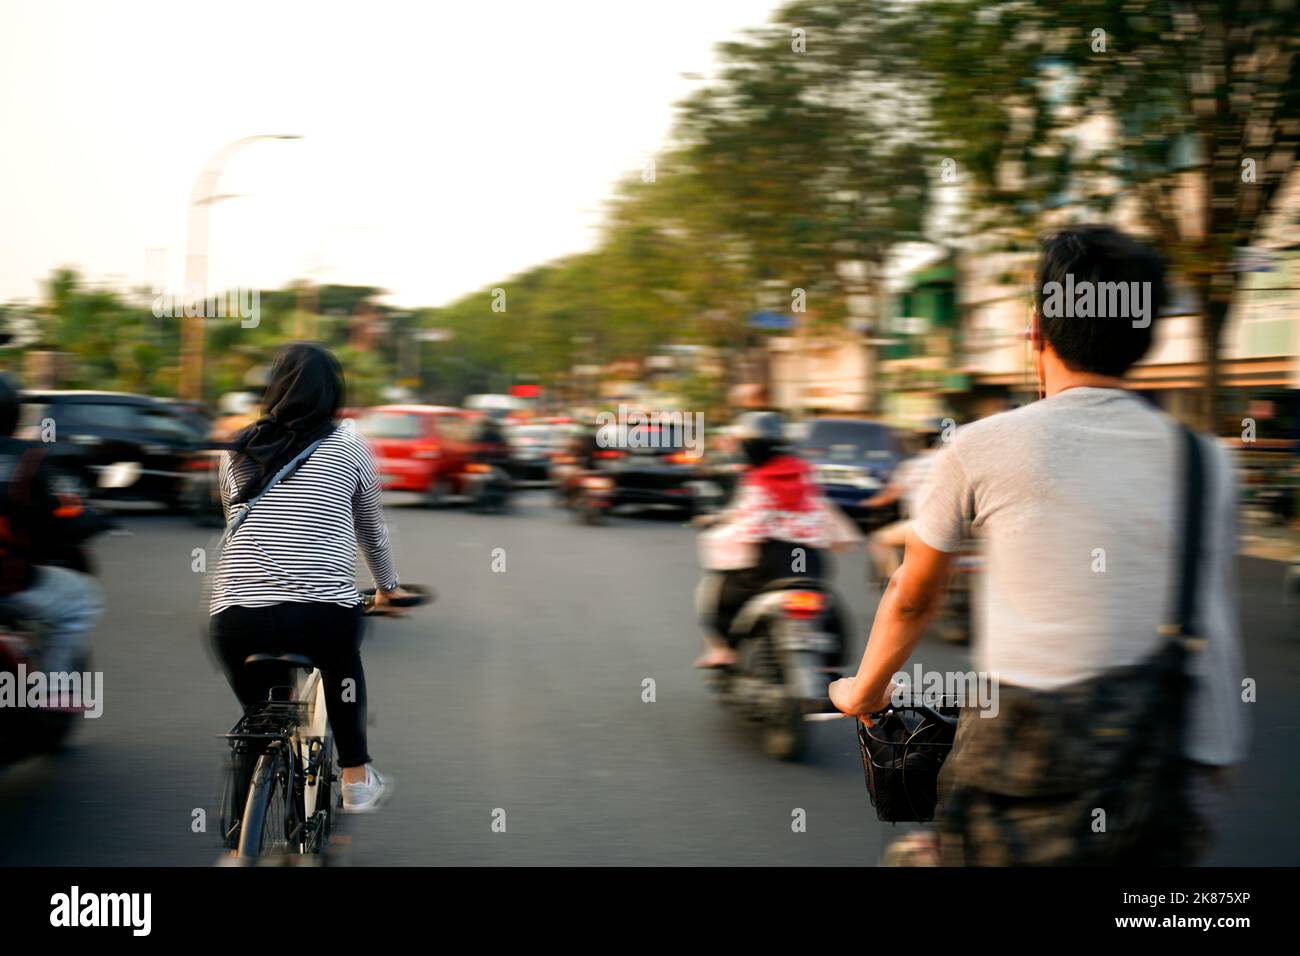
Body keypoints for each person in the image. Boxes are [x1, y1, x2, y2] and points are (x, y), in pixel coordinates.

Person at [829, 225, 1247, 864]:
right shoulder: (1209, 462)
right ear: (1147, 336)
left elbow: (913, 598)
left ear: (1035, 330)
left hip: (1032, 766)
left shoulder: (980, 446)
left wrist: (863, 691)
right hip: (1182, 762)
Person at [209, 343, 411, 813]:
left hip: (235, 620)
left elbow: (235, 524)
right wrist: (388, 588)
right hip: (320, 617)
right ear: (333, 392)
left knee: (260, 721)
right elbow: (372, 532)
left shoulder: (235, 449)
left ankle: (243, 833)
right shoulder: (350, 445)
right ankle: (357, 778)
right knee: (342, 661)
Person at [694, 410, 862, 668]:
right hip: (810, 562)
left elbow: (749, 524)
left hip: (767, 565)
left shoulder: (757, 480)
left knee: (715, 595)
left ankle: (723, 650)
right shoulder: (807, 475)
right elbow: (825, 513)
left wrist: (716, 530)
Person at [0, 375, 104, 690]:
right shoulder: (29, 459)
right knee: (82, 599)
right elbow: (61, 514)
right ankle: (55, 689)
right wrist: (91, 518)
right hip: (7, 578)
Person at [862, 425, 943, 584]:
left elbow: (888, 496)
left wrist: (868, 503)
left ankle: (894, 582)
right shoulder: (958, 464)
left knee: (879, 540)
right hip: (963, 529)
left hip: (924, 527)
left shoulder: (913, 465)